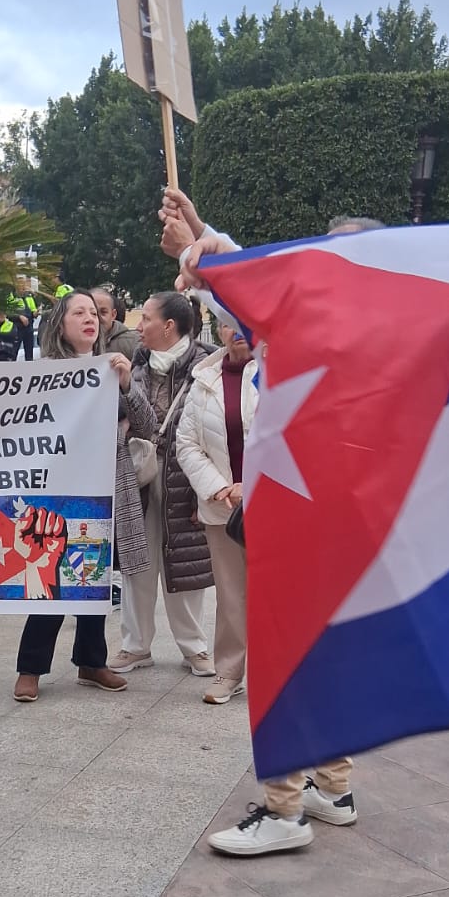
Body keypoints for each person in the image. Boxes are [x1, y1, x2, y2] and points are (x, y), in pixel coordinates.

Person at [166, 205, 381, 856]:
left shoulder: (338, 326)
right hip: (328, 513)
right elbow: (265, 304)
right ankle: (332, 787)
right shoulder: (356, 323)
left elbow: (267, 303)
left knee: (285, 653)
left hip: (314, 515)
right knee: (319, 655)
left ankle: (284, 807)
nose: (320, 261)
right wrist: (210, 243)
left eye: (337, 252)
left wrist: (202, 253)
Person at [13, 290, 140, 703]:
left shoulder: (113, 368)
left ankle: (91, 660)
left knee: (94, 575)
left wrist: (126, 385)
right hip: (57, 488)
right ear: (60, 325)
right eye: (78, 312)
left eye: (93, 313)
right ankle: (30, 667)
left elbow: (149, 423)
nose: (89, 319)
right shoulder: (43, 373)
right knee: (51, 573)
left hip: (104, 487)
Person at [108, 293, 214, 676]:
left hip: (185, 480)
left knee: (185, 565)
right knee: (138, 562)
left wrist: (209, 490)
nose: (139, 325)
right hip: (138, 476)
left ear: (169, 326)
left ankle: (195, 647)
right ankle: (136, 645)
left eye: (147, 318)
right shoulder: (134, 363)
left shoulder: (206, 367)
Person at [176, 321, 259, 703]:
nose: (236, 330)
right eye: (227, 323)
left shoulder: (278, 372)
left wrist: (253, 483)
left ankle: (278, 674)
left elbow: (293, 432)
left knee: (278, 593)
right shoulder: (204, 378)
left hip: (275, 500)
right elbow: (187, 443)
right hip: (222, 505)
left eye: (243, 321)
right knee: (230, 594)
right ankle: (228, 671)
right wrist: (219, 487)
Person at [91, 288, 141, 359]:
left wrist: (130, 369)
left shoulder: (134, 344)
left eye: (103, 312)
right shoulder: (74, 343)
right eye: (93, 312)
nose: (98, 317)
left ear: (113, 315)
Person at [7, 292, 38, 360]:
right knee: (13, 353)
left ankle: (29, 369)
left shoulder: (29, 297)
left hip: (29, 328)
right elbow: (7, 313)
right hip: (17, 328)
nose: (23, 287)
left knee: (29, 354)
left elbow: (32, 312)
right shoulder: (11, 297)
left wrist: (35, 313)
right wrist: (19, 317)